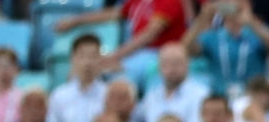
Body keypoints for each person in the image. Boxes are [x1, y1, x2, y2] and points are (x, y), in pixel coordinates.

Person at [55, 0, 189, 90]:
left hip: (157, 54)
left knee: (108, 69)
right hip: (138, 54)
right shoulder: (137, 1)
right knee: (82, 66)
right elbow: (113, 14)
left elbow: (149, 35)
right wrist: (75, 21)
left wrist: (114, 57)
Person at [181, 0, 269, 99]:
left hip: (252, 97)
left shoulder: (256, 33)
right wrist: (203, 19)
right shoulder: (213, 36)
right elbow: (187, 49)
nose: (232, 5)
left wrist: (251, 22)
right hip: (220, 97)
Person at [47, 34, 107, 122]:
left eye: (93, 56)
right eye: (82, 56)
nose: (88, 62)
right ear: (72, 59)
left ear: (101, 59)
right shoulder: (59, 96)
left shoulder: (108, 95)